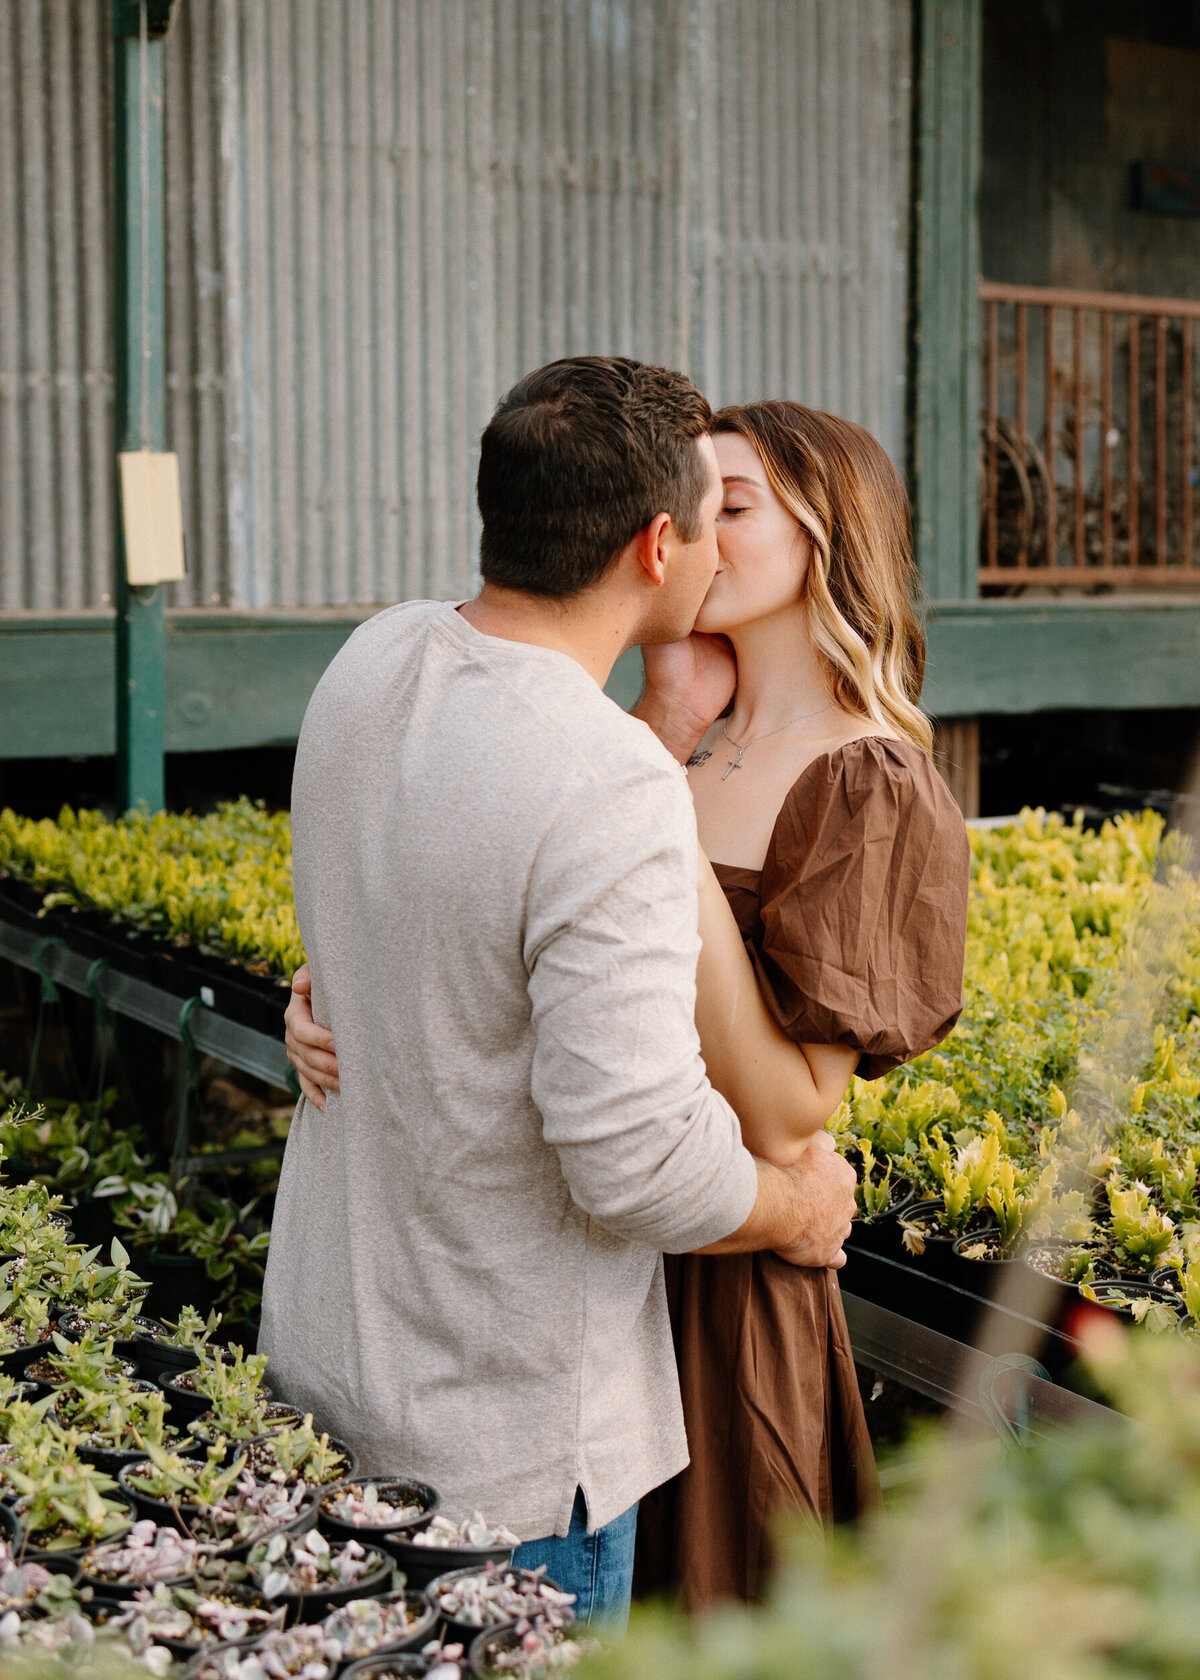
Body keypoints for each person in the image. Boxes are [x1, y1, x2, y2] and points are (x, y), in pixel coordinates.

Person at [288, 396, 971, 1610]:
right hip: (572, 1273)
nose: (708, 528)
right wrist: (342, 987)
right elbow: (496, 892)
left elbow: (792, 1112)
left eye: (737, 503)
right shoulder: (655, 742)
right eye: (697, 507)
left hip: (717, 1275)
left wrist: (657, 815)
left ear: (829, 536)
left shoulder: (867, 778)